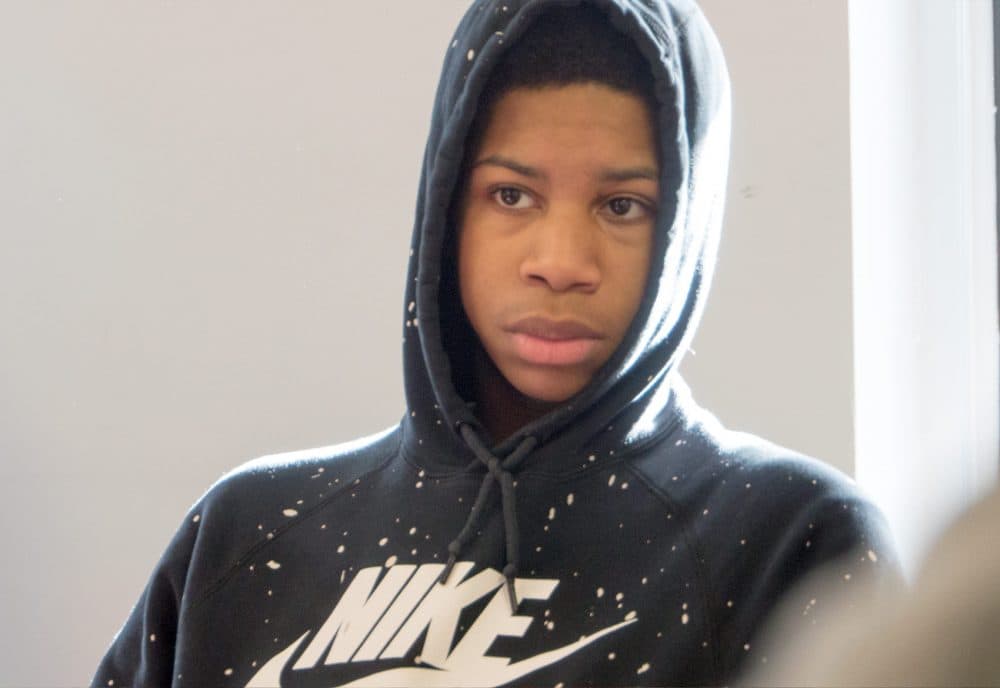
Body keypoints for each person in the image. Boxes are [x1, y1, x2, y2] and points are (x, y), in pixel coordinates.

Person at [93, 1, 900, 686]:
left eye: (623, 206)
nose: (560, 264)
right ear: (446, 207)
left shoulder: (793, 541)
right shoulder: (243, 534)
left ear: (685, 225)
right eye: (511, 194)